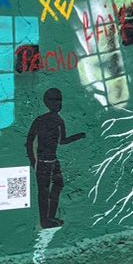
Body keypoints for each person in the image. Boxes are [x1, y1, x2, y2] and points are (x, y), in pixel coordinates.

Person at [25, 88, 84, 228]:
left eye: (59, 100)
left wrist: (79, 136)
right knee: (44, 192)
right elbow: (29, 141)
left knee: (58, 185)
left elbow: (62, 141)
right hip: (43, 162)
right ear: (47, 102)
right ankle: (44, 221)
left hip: (53, 161)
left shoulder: (59, 121)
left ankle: (50, 217)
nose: (58, 103)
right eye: (54, 100)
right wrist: (34, 162)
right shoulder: (40, 120)